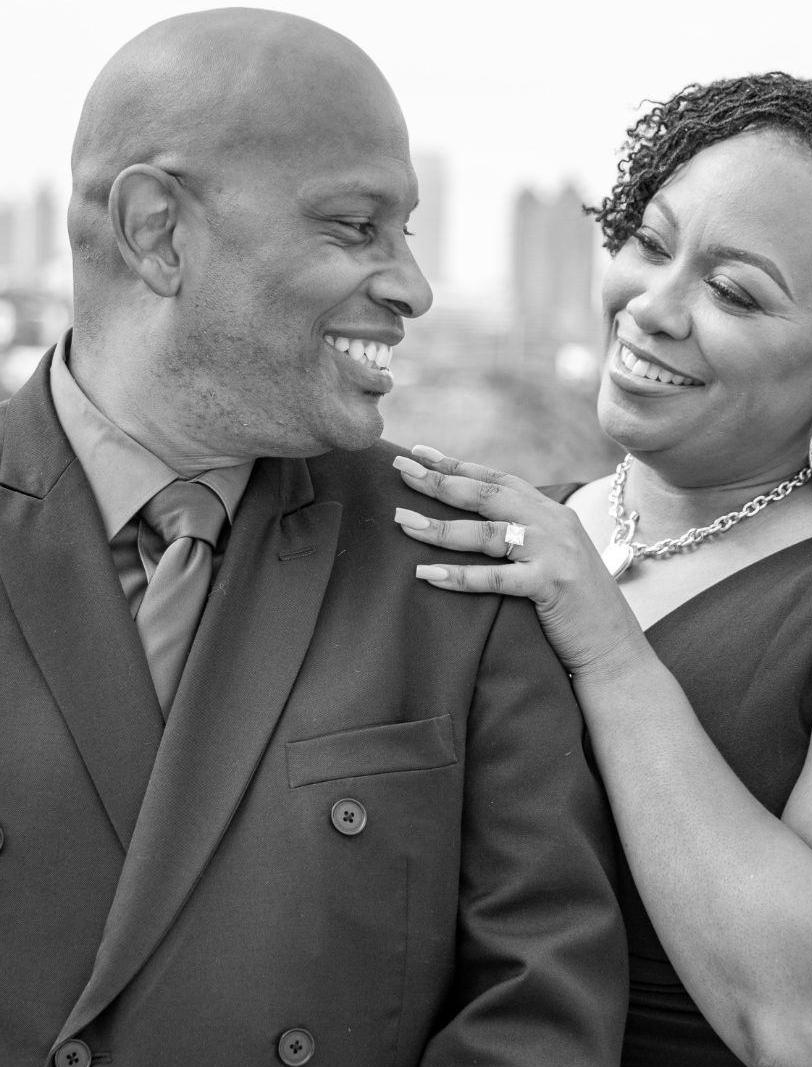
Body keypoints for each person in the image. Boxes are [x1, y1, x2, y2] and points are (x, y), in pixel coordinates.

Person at [393, 74, 812, 1066]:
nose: (653, 307)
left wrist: (611, 654)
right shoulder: (551, 527)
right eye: (650, 243)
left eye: (734, 292)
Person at [0, 10, 628, 1066]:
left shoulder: (455, 572)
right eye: (354, 226)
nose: (413, 287)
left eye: (406, 231)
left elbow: (541, 1004)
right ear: (158, 232)